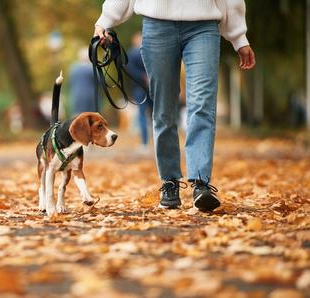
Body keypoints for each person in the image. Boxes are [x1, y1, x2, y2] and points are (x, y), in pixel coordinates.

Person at [94, 0, 256, 212]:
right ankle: (170, 183)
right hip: (157, 25)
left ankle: (201, 184)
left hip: (204, 26)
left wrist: (238, 36)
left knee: (202, 104)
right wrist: (105, 20)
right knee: (164, 109)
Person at [126, 32, 153, 152]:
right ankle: (158, 142)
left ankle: (145, 143)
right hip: (152, 86)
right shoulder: (151, 51)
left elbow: (130, 69)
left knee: (142, 115)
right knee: (155, 115)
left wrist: (142, 77)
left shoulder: (132, 53)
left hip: (139, 87)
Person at [69, 47, 98, 116]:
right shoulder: (91, 69)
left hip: (77, 95)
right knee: (91, 116)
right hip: (90, 97)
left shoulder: (73, 68)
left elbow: (71, 82)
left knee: (77, 115)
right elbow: (99, 81)